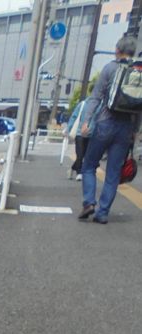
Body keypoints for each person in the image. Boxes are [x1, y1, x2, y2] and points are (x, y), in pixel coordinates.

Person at [78, 36, 140, 223]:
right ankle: (103, 213)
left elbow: (95, 97)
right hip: (125, 128)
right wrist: (135, 130)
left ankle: (89, 202)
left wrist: (87, 120)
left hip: (105, 123)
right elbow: (139, 105)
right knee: (113, 173)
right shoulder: (138, 72)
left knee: (89, 165)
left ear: (117, 49)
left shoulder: (110, 68)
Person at [65, 97, 90, 180]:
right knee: (80, 154)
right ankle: (79, 173)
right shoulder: (83, 104)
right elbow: (74, 116)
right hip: (79, 133)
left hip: (90, 134)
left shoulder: (99, 105)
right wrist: (68, 128)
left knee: (84, 155)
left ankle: (72, 168)